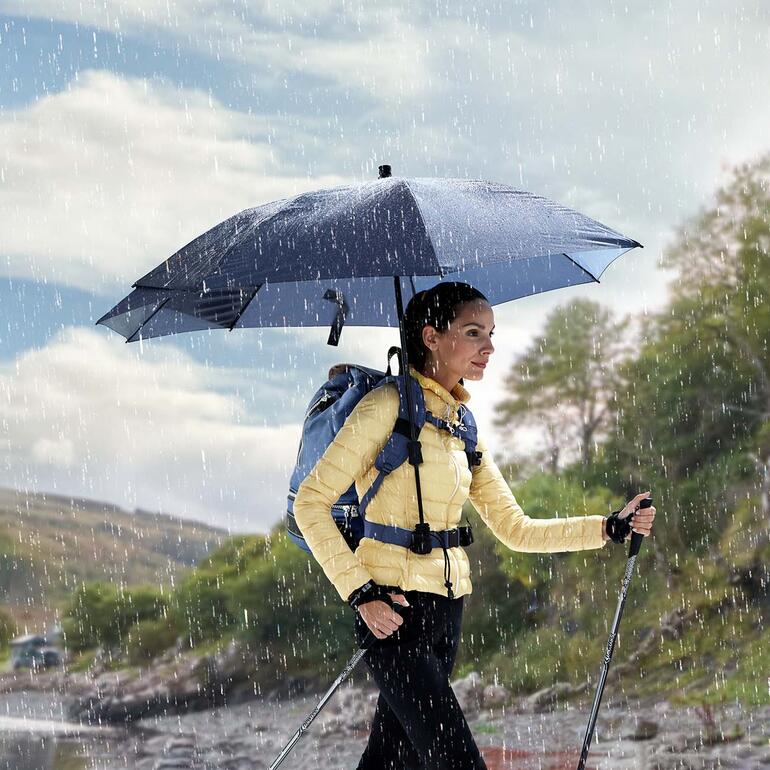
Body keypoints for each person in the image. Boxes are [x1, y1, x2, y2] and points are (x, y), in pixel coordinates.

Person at [292, 282, 656, 770]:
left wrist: (608, 528)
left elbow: (516, 528)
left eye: (490, 334)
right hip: (392, 613)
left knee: (391, 761)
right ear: (431, 337)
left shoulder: (462, 426)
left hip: (446, 613)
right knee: (456, 760)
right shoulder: (384, 408)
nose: (488, 347)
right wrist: (361, 593)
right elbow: (310, 503)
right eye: (472, 332)